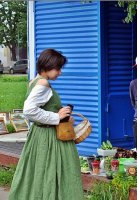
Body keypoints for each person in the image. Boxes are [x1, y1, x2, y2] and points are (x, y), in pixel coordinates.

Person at [9, 49, 84, 200]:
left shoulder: (34, 81)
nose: (60, 73)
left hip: (39, 136)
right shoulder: (43, 83)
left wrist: (62, 116)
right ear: (47, 66)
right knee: (59, 174)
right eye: (58, 68)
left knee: (40, 173)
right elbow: (29, 111)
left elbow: (40, 109)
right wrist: (57, 117)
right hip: (49, 138)